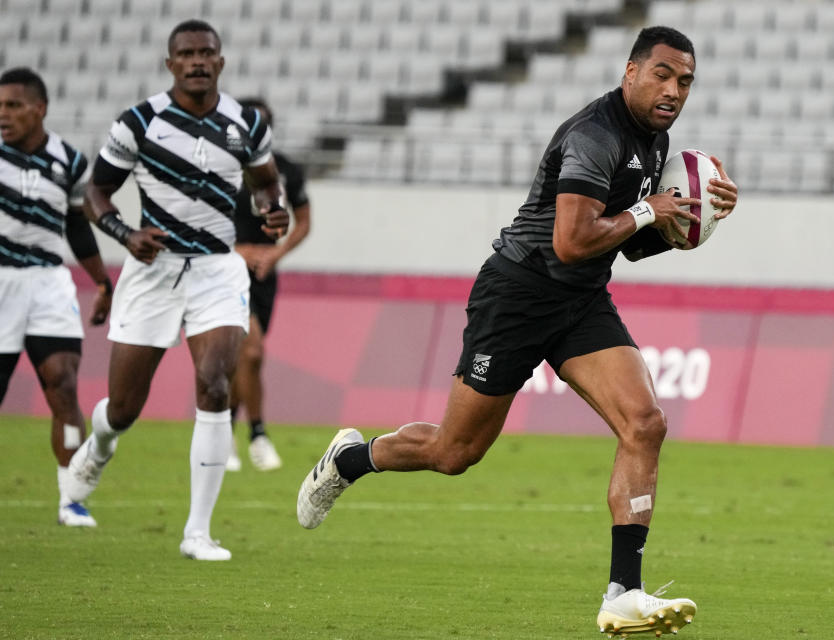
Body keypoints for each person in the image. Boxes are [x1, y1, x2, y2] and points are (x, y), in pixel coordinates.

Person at [297, 26, 738, 636]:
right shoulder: (594, 135)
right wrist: (648, 210)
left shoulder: (654, 140)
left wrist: (686, 223)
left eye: (685, 81)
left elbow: (627, 250)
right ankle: (351, 458)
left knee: (646, 424)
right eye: (662, 74)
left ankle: (623, 592)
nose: (673, 90)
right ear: (630, 71)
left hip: (580, 300)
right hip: (519, 294)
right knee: (455, 453)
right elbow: (573, 239)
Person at [64, 20, 289, 561]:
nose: (196, 61)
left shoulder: (246, 124)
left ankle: (197, 532)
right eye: (186, 54)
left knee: (214, 384)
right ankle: (100, 445)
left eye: (206, 53)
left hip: (218, 269)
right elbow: (96, 191)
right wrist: (125, 233)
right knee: (123, 407)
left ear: (220, 61)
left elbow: (266, 182)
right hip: (153, 272)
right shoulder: (139, 122)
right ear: (170, 64)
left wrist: (271, 210)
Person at [0, 67, 112, 528]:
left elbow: (76, 225)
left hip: (48, 282)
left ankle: (71, 496)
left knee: (64, 387)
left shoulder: (69, 160)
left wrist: (103, 281)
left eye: (12, 106)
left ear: (39, 108)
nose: (2, 115)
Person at [225, 97, 312, 473]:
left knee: (243, 358)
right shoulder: (219, 168)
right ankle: (257, 434)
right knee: (252, 351)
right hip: (224, 270)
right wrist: (234, 251)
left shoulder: (286, 170)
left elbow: (304, 221)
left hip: (264, 273)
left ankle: (223, 433)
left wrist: (275, 254)